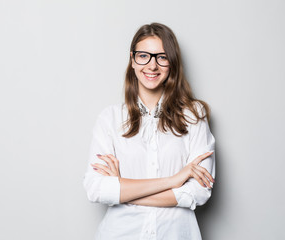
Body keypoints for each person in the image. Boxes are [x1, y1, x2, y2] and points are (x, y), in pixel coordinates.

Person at [83, 22, 216, 240]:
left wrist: (123, 189)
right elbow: (96, 189)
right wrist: (174, 181)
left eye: (162, 57)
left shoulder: (194, 116)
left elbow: (198, 192)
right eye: (144, 56)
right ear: (133, 60)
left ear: (172, 63)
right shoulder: (110, 119)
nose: (152, 66)